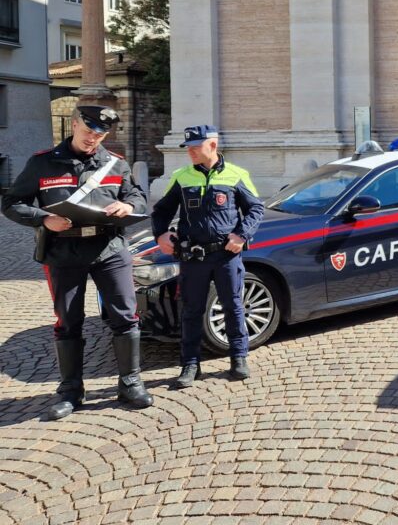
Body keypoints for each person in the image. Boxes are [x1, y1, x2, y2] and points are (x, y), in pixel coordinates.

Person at [1, 105, 153, 420]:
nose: (92, 138)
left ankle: (130, 382)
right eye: (88, 131)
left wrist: (127, 206)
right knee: (69, 321)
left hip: (108, 248)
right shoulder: (43, 163)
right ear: (73, 125)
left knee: (125, 316)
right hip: (63, 252)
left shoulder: (115, 164)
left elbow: (138, 198)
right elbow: (12, 202)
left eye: (100, 134)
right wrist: (44, 218)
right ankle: (70, 391)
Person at [151, 125, 264, 388]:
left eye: (195, 147)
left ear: (212, 145)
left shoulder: (237, 175)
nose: (189, 152)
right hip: (193, 256)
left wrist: (242, 235)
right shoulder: (181, 176)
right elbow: (161, 211)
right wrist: (161, 234)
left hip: (226, 255)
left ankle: (238, 357)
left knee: (233, 306)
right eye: (187, 147)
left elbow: (255, 208)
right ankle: (190, 364)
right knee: (191, 310)